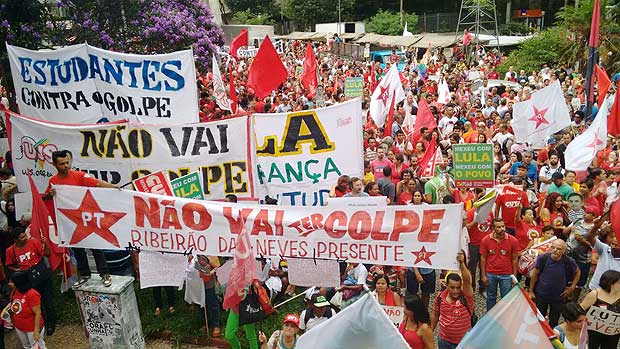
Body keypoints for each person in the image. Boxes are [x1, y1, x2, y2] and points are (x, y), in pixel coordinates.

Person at [44, 150, 118, 288]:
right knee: (77, 248)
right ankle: (84, 274)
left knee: (95, 246)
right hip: (70, 222)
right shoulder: (53, 181)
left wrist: (114, 187)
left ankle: (104, 273)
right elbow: (47, 197)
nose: (66, 166)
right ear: (54, 165)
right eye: (62, 164)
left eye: (67, 162)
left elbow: (96, 183)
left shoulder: (78, 175)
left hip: (86, 218)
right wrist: (50, 194)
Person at [528, 239, 580, 328]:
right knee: (540, 318)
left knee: (554, 320)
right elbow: (535, 274)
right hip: (541, 294)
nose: (555, 250)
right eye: (553, 247)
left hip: (558, 296)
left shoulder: (568, 261)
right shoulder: (543, 258)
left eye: (559, 249)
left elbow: (578, 272)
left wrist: (572, 287)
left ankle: (551, 336)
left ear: (563, 251)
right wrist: (531, 291)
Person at [431, 251, 474, 348]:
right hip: (443, 341)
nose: (456, 291)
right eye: (452, 287)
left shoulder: (466, 297)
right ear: (446, 285)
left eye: (458, 287)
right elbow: (435, 315)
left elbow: (467, 281)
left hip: (463, 342)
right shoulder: (440, 298)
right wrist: (430, 332)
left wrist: (462, 264)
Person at [480, 218, 519, 310]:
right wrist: (483, 275)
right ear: (493, 228)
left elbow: (515, 259)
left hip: (506, 274)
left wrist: (514, 275)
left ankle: (505, 318)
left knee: (506, 299)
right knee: (491, 297)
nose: (502, 229)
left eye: (503, 226)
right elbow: (483, 258)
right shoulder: (485, 240)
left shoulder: (513, 240)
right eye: (498, 227)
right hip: (491, 273)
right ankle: (490, 317)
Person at [580, 270, 620, 349]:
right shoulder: (595, 294)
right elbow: (580, 310)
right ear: (611, 283)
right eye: (619, 283)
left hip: (612, 333)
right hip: (593, 332)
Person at [7, 271, 46, 349]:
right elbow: (13, 302)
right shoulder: (15, 291)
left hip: (31, 328)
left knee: (37, 347)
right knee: (26, 346)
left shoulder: (32, 294)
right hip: (19, 326)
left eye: (12, 282)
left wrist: (36, 331)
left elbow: (38, 313)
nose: (9, 284)